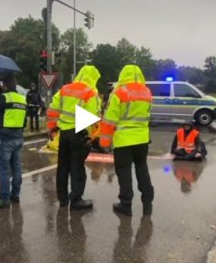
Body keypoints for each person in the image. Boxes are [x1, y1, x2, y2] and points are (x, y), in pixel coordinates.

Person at [100, 64, 154, 217]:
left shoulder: (119, 92)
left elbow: (110, 119)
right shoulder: (147, 92)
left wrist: (104, 142)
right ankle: (147, 202)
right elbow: (148, 114)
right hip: (142, 139)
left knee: (124, 172)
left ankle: (126, 205)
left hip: (124, 140)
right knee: (142, 169)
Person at [47, 65, 101, 210]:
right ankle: (76, 199)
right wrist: (92, 136)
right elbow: (94, 117)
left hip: (64, 133)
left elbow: (52, 110)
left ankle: (62, 198)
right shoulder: (90, 92)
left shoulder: (64, 89)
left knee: (63, 166)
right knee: (77, 167)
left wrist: (52, 128)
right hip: (79, 133)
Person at [0, 74, 27, 210]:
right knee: (16, 168)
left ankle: (3, 198)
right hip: (18, 137)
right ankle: (15, 195)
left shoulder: (5, 97)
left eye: (2, 84)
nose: (1, 86)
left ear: (6, 85)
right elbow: (24, 120)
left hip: (5, 137)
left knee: (3, 170)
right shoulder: (22, 99)